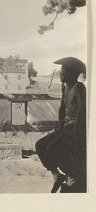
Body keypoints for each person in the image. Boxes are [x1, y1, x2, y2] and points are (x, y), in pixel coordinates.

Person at [35, 57, 86, 193]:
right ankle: (56, 175)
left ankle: (72, 175)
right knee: (40, 145)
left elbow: (82, 111)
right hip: (65, 127)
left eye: (62, 70)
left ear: (70, 73)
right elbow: (62, 109)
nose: (60, 73)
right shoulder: (65, 88)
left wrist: (76, 132)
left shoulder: (79, 88)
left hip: (74, 127)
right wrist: (60, 125)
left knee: (53, 148)